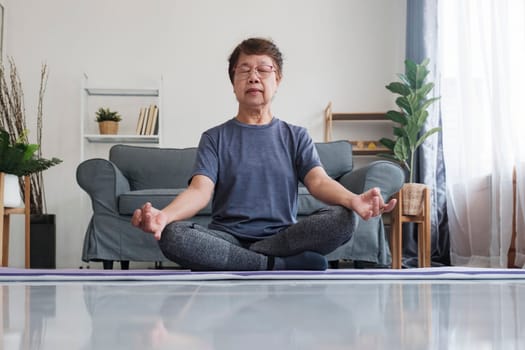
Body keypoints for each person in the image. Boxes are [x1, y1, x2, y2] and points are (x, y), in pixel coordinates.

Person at [132, 37, 396, 271]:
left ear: (277, 80)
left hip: (282, 239)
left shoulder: (296, 136)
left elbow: (318, 182)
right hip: (228, 237)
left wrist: (354, 201)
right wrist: (163, 216)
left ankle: (247, 259)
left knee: (343, 219)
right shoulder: (214, 137)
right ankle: (274, 265)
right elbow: (199, 192)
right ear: (233, 83)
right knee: (173, 235)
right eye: (244, 70)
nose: (253, 77)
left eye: (263, 70)